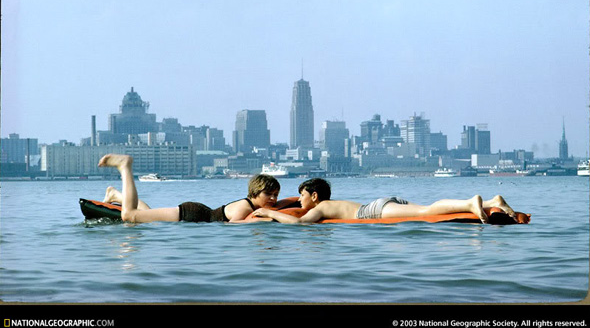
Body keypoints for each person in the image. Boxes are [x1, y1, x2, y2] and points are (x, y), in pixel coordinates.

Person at [98, 154, 280, 223]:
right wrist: (262, 220)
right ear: (255, 193)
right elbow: (233, 225)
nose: (273, 199)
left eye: (275, 195)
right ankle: (125, 166)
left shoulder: (253, 206)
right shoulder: (245, 206)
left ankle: (117, 195)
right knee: (129, 216)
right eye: (268, 194)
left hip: (196, 214)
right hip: (192, 215)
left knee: (147, 214)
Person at [252, 178, 517, 224]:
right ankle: (493, 200)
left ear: (315, 196)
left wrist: (269, 213)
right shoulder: (327, 203)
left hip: (373, 212)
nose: (299, 201)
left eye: (301, 195)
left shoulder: (321, 207)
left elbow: (300, 225)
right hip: (380, 204)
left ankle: (471, 203)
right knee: (424, 209)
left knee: (426, 211)